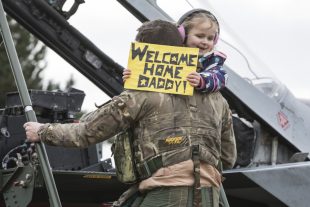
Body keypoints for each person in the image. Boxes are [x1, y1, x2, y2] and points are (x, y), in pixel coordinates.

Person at [24, 19, 236, 207]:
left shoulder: (141, 95)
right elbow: (228, 158)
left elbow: (87, 132)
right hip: (210, 197)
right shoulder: (219, 100)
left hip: (164, 195)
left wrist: (42, 131)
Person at [123, 9, 227, 94]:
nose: (205, 42)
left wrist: (202, 80)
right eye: (200, 36)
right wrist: (133, 75)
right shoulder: (166, 56)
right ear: (183, 33)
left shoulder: (212, 62)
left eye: (210, 38)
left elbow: (220, 78)